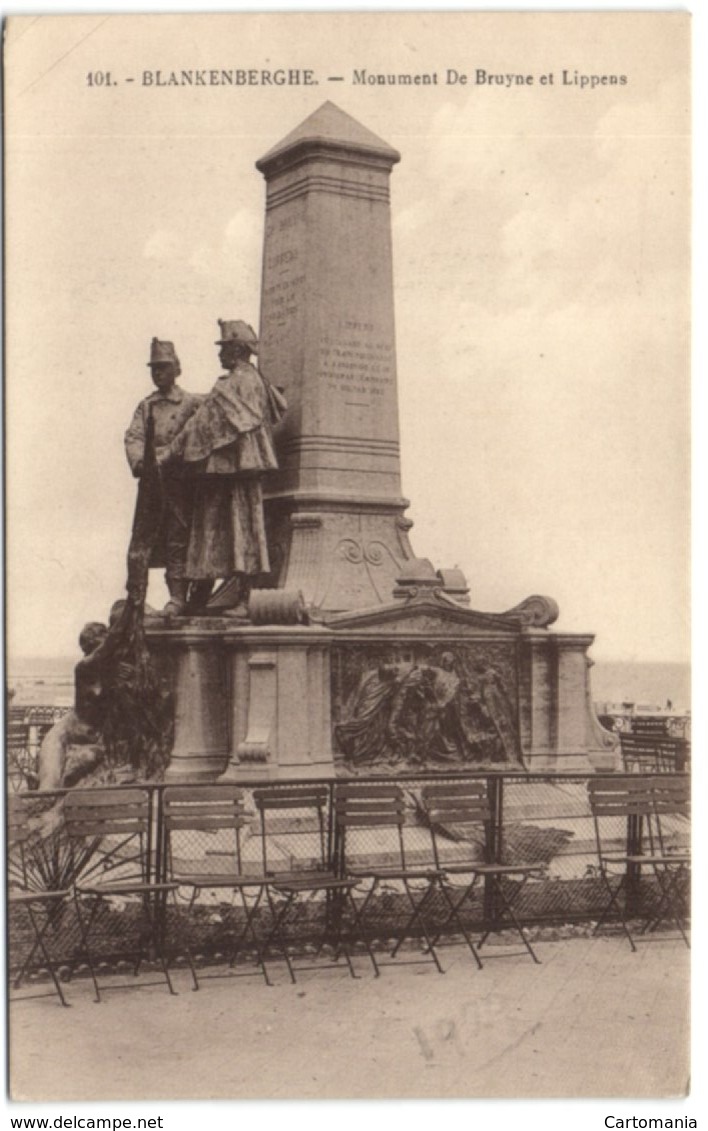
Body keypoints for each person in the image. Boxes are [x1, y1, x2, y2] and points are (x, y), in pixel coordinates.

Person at [159, 320, 286, 615]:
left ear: (238, 349)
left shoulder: (240, 383)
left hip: (238, 466)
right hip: (230, 465)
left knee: (241, 528)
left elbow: (203, 423)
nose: (220, 355)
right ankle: (212, 595)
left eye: (225, 348)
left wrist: (168, 454)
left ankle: (245, 598)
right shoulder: (250, 381)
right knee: (225, 528)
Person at [124, 339, 202, 615]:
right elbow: (133, 436)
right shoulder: (146, 406)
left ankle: (178, 598)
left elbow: (199, 434)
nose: (158, 373)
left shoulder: (191, 402)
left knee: (178, 538)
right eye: (154, 368)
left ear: (177, 369)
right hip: (151, 484)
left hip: (181, 483)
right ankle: (136, 599)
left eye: (164, 367)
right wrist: (140, 462)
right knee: (142, 542)